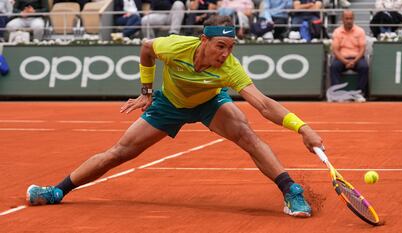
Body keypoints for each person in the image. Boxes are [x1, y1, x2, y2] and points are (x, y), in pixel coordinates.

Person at [26, 15, 323, 218]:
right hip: (170, 103)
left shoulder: (229, 68)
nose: (224, 54)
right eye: (221, 46)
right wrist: (145, 90)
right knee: (119, 152)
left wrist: (302, 127)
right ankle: (56, 191)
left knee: (247, 134)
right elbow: (146, 49)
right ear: (203, 40)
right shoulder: (175, 46)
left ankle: (291, 191)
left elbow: (264, 104)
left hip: (210, 102)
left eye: (230, 48)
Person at [330, 10, 369, 103]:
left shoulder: (360, 31)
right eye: (347, 18)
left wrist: (354, 61)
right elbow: (335, 50)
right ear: (342, 19)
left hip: (357, 58)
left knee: (364, 67)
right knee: (334, 67)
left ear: (353, 19)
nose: (349, 21)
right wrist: (345, 61)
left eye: (351, 18)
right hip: (341, 58)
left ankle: (358, 94)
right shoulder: (337, 31)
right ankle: (337, 94)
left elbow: (362, 49)